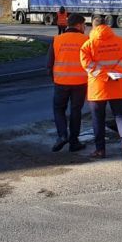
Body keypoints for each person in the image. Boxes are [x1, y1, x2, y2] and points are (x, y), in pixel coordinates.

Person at [80, 16, 122, 160]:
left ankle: (100, 150)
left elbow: (87, 64)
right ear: (107, 26)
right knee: (121, 116)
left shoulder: (88, 45)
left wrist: (105, 75)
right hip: (117, 85)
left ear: (93, 27)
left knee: (98, 119)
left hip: (98, 88)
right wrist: (116, 72)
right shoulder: (121, 42)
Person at [46, 13, 88, 152]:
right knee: (76, 111)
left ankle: (62, 135)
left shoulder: (57, 39)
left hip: (61, 82)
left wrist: (55, 79)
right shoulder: (86, 40)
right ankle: (74, 142)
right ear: (79, 25)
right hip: (80, 82)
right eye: (84, 25)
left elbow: (49, 64)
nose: (85, 28)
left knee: (58, 109)